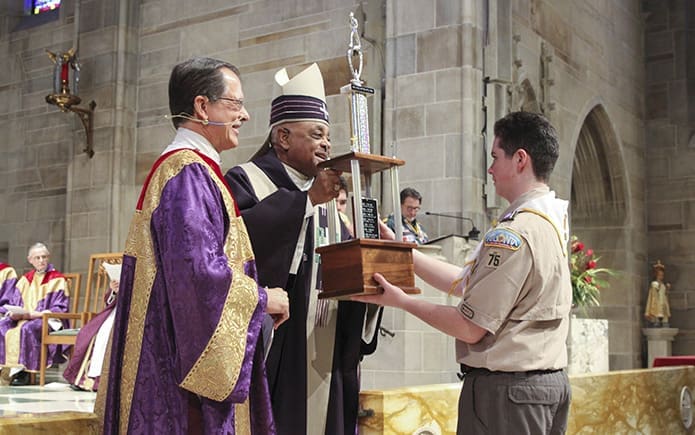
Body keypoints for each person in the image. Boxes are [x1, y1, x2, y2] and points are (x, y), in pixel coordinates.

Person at [98, 57, 289, 434]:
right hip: (179, 384)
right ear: (203, 107)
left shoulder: (190, 171)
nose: (245, 116)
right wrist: (264, 299)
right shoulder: (188, 175)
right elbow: (199, 278)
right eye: (235, 104)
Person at [355, 111, 572, 434]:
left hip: (508, 394)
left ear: (520, 160)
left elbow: (470, 328)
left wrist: (402, 301)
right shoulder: (547, 220)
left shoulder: (516, 233)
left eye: (496, 156)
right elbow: (466, 283)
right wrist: (404, 253)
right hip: (537, 386)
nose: (491, 168)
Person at [225, 63, 382, 435]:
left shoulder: (327, 197)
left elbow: (343, 270)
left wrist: (373, 282)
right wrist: (305, 201)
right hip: (276, 344)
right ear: (282, 136)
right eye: (316, 135)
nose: (327, 144)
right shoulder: (245, 179)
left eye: (328, 136)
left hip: (324, 343)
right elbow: (239, 245)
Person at [0, 243, 69, 386]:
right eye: (37, 258)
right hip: (24, 318)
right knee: (2, 326)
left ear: (48, 258)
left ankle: (25, 372)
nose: (41, 260)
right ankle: (5, 369)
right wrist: (14, 313)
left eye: (44, 257)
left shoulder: (57, 279)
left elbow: (60, 307)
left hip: (46, 319)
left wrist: (38, 314)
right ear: (30, 260)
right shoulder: (25, 279)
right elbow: (14, 302)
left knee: (28, 329)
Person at [63, 262, 121, 391]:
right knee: (88, 333)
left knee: (107, 333)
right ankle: (86, 377)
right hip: (116, 310)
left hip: (133, 313)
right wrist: (114, 290)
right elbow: (108, 301)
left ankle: (100, 379)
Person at [645, 260, 671, 327]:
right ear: (656, 275)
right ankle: (656, 321)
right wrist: (658, 285)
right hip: (657, 301)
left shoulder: (663, 284)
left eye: (662, 275)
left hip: (663, 301)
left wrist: (667, 288)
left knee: (664, 312)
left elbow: (665, 293)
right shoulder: (654, 283)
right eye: (659, 275)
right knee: (657, 311)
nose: (661, 277)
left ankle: (664, 322)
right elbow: (655, 290)